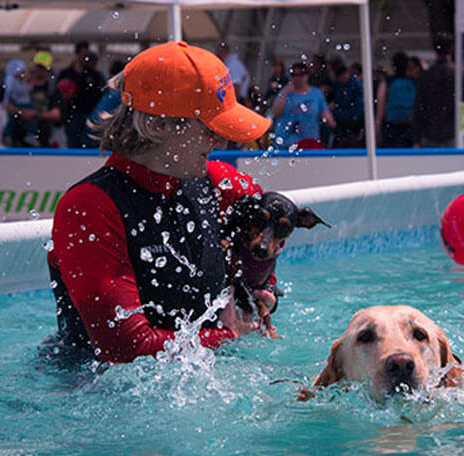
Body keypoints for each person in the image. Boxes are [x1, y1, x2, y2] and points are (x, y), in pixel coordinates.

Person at [46, 41, 274, 363]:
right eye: (210, 128)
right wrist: (227, 335)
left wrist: (264, 293)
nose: (221, 140)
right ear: (157, 125)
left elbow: (270, 234)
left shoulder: (222, 183)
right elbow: (125, 349)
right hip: (93, 392)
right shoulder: (89, 208)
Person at [412, 33, 464, 147]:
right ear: (452, 47)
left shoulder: (426, 75)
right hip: (454, 132)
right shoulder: (460, 73)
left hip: (431, 133)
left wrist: (417, 138)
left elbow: (418, 108)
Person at [271, 62, 336, 149]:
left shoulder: (316, 94)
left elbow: (326, 115)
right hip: (286, 144)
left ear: (307, 76)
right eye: (294, 75)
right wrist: (284, 92)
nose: (297, 78)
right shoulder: (285, 93)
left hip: (308, 143)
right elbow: (275, 113)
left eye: (301, 75)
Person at [57, 41, 106, 148]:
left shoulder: (93, 75)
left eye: (87, 56)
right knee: (73, 142)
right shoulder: (66, 74)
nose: (85, 58)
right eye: (83, 55)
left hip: (89, 114)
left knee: (88, 142)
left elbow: (100, 95)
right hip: (72, 114)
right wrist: (64, 98)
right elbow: (57, 95)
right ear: (77, 54)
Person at [375, 51, 417, 147]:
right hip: (409, 127)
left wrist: (377, 130)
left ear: (393, 66)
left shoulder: (387, 82)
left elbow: (380, 111)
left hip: (391, 127)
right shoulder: (414, 82)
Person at [330, 62, 365, 148]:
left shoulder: (356, 86)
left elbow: (356, 110)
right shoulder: (339, 85)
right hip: (346, 118)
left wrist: (335, 112)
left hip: (353, 119)